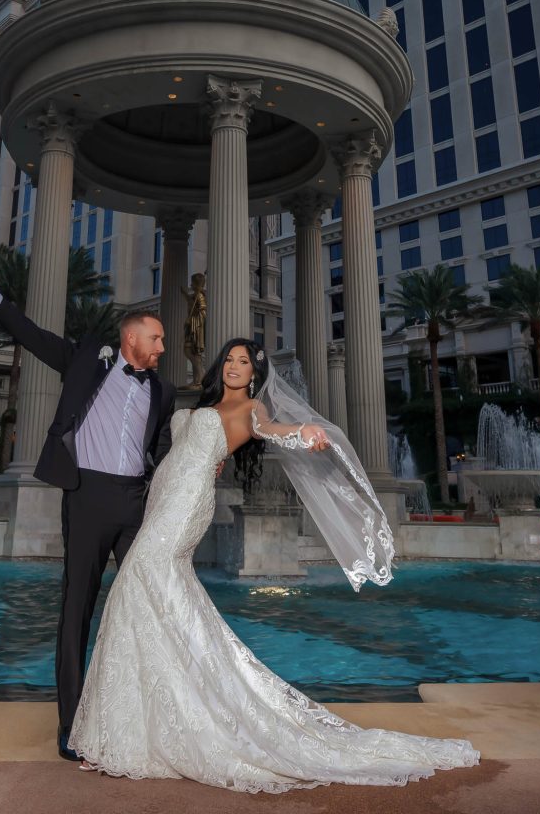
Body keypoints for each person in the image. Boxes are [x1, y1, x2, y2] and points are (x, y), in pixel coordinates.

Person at [69, 338, 480, 791]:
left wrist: (305, 434)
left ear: (254, 374)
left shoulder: (252, 411)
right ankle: (131, 730)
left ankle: (134, 732)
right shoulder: (201, 405)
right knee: (146, 595)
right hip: (162, 501)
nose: (234, 366)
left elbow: (275, 429)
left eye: (243, 362)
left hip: (184, 507)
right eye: (229, 359)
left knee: (138, 582)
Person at [0, 253, 175, 760]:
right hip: (86, 496)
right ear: (132, 339)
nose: (163, 346)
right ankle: (73, 723)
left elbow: (162, 447)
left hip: (135, 502)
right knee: (76, 609)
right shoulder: (88, 358)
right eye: (157, 338)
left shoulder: (163, 391)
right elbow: (33, 337)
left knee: (150, 604)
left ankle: (153, 713)